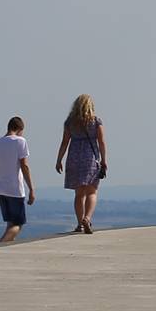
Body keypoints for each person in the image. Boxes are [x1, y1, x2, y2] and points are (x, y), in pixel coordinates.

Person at [55, 94, 109, 235]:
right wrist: (104, 160)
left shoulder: (69, 123)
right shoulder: (96, 121)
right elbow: (101, 142)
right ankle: (87, 218)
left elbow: (64, 142)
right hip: (90, 158)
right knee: (92, 191)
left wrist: (59, 159)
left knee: (79, 194)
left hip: (74, 158)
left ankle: (79, 223)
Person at [0, 116, 34, 243]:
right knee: (18, 224)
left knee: (10, 223)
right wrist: (31, 188)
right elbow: (24, 166)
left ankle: (6, 247)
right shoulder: (20, 141)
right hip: (15, 189)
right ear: (20, 129)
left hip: (1, 189)